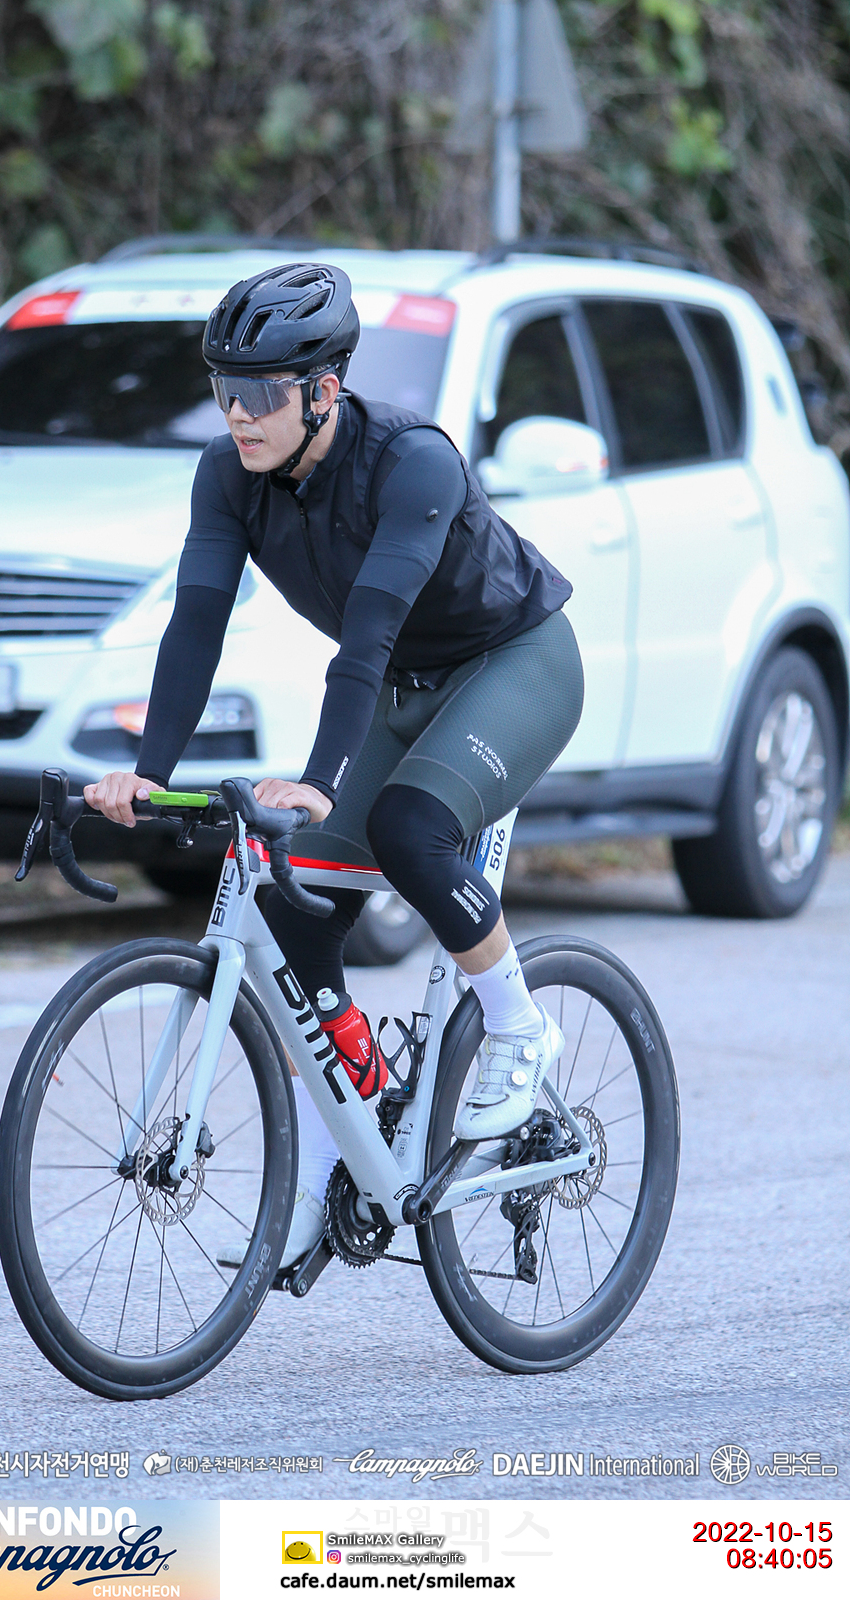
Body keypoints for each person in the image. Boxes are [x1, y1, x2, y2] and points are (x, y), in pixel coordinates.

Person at [84, 261, 584, 1267]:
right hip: (405, 685)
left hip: (513, 663)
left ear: (324, 388)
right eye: (223, 388)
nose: (237, 413)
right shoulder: (228, 473)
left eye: (260, 392)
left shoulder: (413, 464)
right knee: (290, 907)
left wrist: (318, 779)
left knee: (407, 829)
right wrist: (147, 769)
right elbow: (196, 624)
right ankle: (334, 1168)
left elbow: (365, 638)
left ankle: (519, 1027)